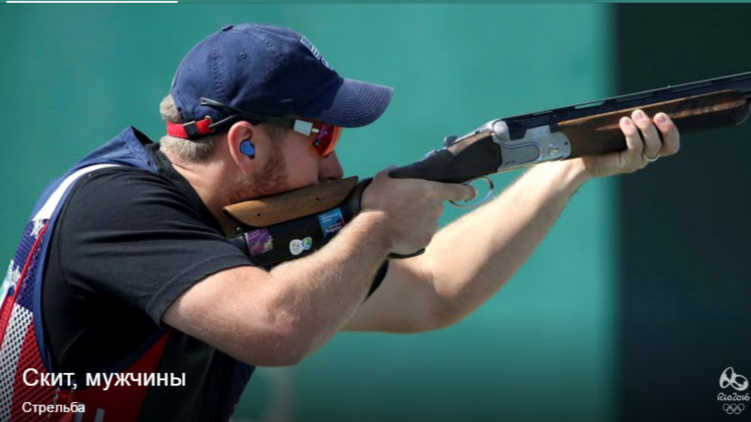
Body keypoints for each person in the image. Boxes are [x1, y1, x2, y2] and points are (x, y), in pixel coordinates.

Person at [0, 23, 680, 421]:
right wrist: (376, 226)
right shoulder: (113, 207)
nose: (336, 166)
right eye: (321, 137)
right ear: (244, 145)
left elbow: (435, 290)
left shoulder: (226, 237)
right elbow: (276, 326)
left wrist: (567, 169)